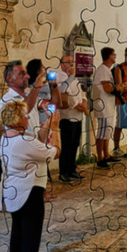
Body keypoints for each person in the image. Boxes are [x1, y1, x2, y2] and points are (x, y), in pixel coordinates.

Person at [0, 99, 60, 252]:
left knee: (17, 239)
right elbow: (53, 153)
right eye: (24, 115)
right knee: (30, 242)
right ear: (16, 119)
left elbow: (36, 144)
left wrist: (47, 126)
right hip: (30, 193)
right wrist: (55, 129)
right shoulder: (24, 142)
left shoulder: (7, 137)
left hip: (14, 193)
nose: (27, 118)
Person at [54, 54, 87, 183]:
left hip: (78, 117)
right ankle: (64, 172)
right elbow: (63, 93)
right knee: (66, 146)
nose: (71, 64)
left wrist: (84, 103)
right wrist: (76, 105)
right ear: (62, 64)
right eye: (68, 62)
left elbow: (81, 92)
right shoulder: (60, 77)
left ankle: (72, 169)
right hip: (67, 117)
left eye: (72, 62)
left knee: (74, 145)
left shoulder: (75, 78)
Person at [91, 48, 118, 169]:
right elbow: (107, 88)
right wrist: (118, 88)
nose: (115, 56)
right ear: (109, 56)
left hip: (108, 106)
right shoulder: (102, 69)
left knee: (107, 131)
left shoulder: (106, 69)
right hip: (103, 107)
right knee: (101, 132)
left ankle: (107, 154)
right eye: (114, 54)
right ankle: (100, 157)